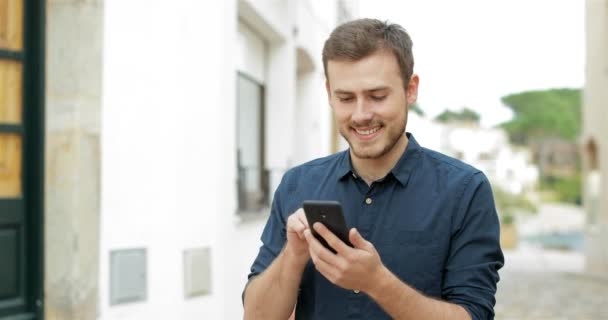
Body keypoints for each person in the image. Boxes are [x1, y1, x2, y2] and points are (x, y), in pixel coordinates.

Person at [243, 18, 504, 320]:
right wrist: (294, 254)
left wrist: (377, 282)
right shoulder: (297, 184)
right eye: (345, 98)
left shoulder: (465, 191)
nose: (361, 114)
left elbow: (474, 315)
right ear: (329, 93)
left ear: (411, 89)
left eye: (377, 96)